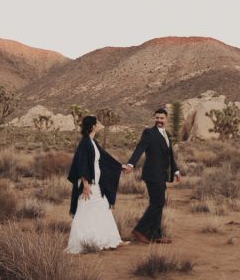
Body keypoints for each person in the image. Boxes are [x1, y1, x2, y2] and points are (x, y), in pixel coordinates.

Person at [65, 115, 128, 253]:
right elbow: (82, 164)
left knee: (103, 208)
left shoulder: (92, 142)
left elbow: (105, 158)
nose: (100, 124)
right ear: (93, 126)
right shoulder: (85, 143)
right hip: (90, 185)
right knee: (85, 211)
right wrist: (86, 185)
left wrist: (119, 167)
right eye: (97, 123)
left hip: (97, 184)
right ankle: (82, 243)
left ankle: (111, 240)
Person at [122, 108, 181, 244]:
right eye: (157, 118)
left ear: (166, 119)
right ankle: (140, 230)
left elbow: (170, 155)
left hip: (162, 175)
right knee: (157, 203)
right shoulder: (149, 133)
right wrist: (131, 164)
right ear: (154, 118)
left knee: (159, 204)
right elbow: (140, 148)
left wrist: (176, 171)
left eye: (162, 118)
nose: (159, 120)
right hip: (152, 174)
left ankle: (156, 234)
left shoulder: (167, 134)